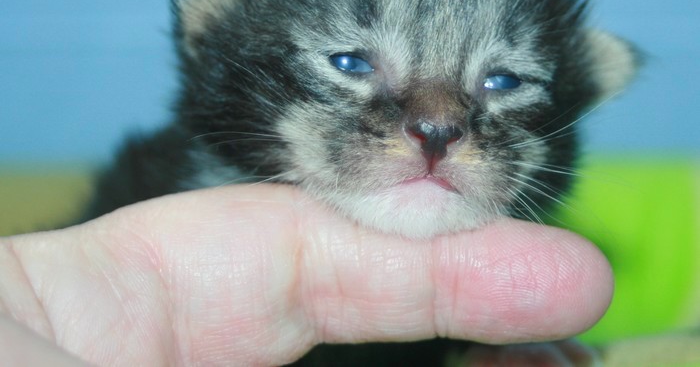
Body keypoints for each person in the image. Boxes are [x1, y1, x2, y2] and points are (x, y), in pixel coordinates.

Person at [0, 183, 611, 365]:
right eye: (350, 63)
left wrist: (493, 341)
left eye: (502, 81)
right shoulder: (150, 225)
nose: (437, 124)